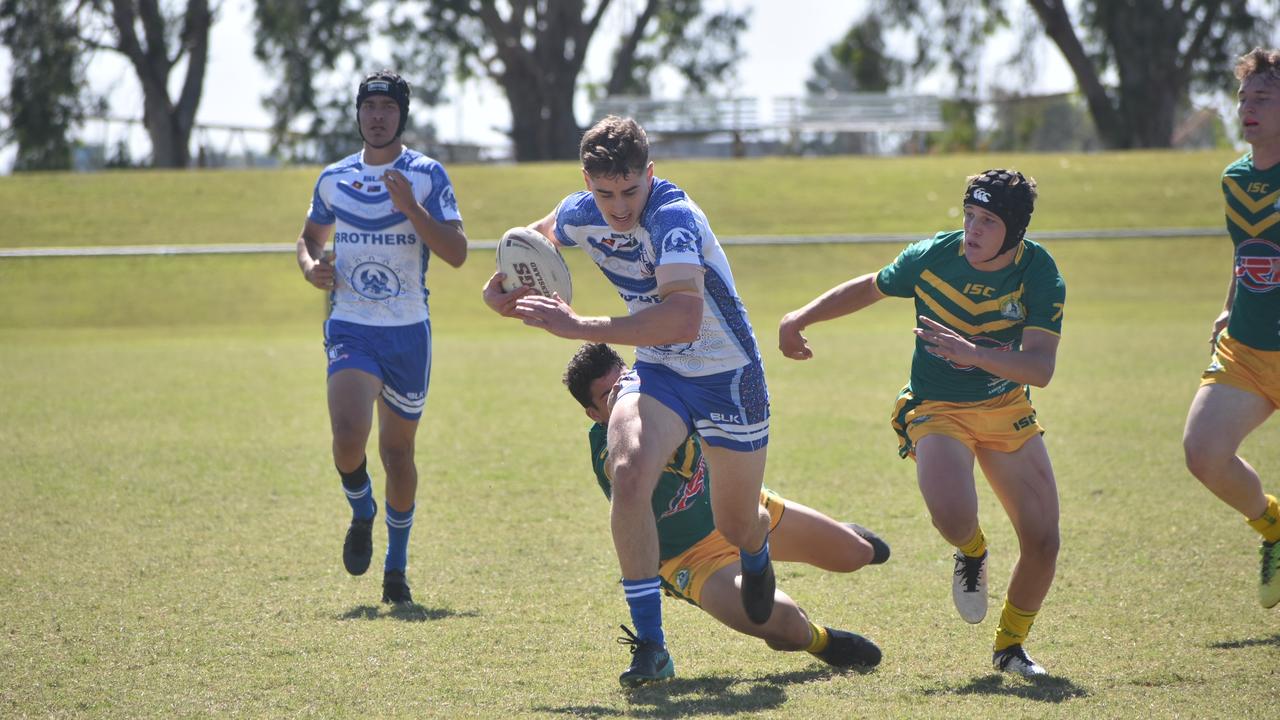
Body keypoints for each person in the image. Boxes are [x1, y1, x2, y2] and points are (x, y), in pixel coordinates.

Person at [483, 116, 777, 684]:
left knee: (736, 521)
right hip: (662, 370)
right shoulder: (582, 209)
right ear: (587, 183)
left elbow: (684, 319)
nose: (618, 207)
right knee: (628, 468)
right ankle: (651, 645)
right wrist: (503, 285)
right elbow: (532, 240)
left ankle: (757, 544)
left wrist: (579, 327)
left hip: (729, 378)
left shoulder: (675, 219)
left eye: (630, 191)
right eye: (604, 193)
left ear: (651, 173)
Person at [778, 169, 1064, 677]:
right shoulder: (933, 256)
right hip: (937, 408)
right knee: (952, 517)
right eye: (970, 216)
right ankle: (972, 551)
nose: (973, 229)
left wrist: (973, 353)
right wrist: (799, 316)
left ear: (1015, 230)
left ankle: (1010, 648)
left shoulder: (1039, 272)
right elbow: (871, 287)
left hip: (1006, 410)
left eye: (989, 221)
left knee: (1044, 541)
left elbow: (1040, 368)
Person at [563, 343, 888, 686]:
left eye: (624, 380)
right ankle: (823, 640)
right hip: (694, 558)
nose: (622, 395)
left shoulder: (661, 390)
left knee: (857, 554)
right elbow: (633, 467)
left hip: (744, 510)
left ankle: (842, 534)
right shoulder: (610, 451)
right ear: (594, 414)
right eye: (607, 396)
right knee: (790, 626)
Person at [296, 70, 468, 604]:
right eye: (369, 106)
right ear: (358, 113)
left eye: (387, 108)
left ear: (402, 115)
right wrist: (309, 267)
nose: (377, 115)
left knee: (398, 453)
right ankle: (362, 508)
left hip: (408, 332)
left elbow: (458, 253)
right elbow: (309, 239)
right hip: (350, 324)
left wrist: (412, 208)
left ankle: (396, 567)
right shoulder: (334, 177)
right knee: (348, 435)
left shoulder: (426, 174)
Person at [1183, 47, 1280, 609]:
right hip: (1246, 347)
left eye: (1264, 97)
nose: (1248, 107)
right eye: (1244, 97)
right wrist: (1228, 304)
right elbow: (1248, 254)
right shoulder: (1236, 179)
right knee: (1203, 453)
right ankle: (1272, 524)